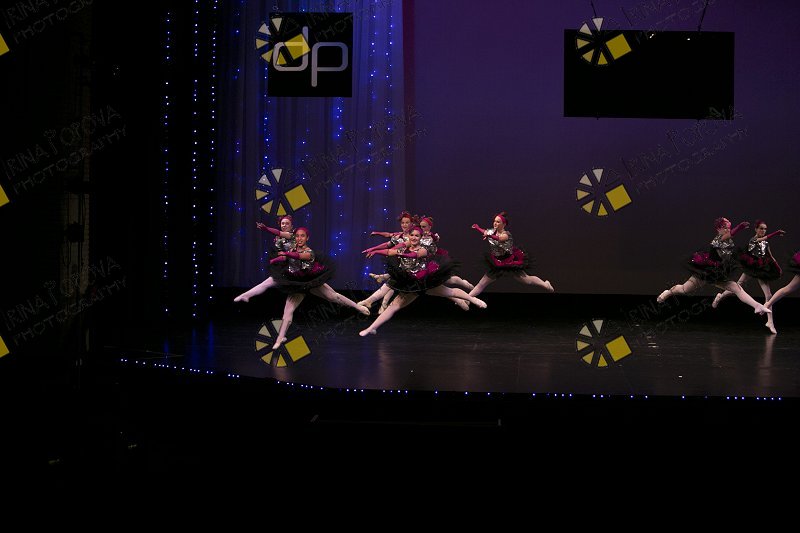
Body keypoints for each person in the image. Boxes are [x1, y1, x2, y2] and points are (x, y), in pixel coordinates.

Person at [359, 226, 486, 336]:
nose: (414, 238)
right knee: (393, 307)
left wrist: (399, 254)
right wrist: (374, 251)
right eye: (412, 235)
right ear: (408, 236)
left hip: (424, 282)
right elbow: (388, 251)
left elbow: (414, 255)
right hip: (410, 285)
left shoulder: (423, 249)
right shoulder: (403, 247)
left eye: (417, 236)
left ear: (420, 237)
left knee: (451, 292)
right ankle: (372, 328)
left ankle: (473, 299)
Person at [269, 227, 369, 349]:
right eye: (297, 236)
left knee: (334, 297)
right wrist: (276, 259)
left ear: (307, 238)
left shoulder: (309, 252)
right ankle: (280, 339)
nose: (299, 238)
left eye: (302, 236)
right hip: (298, 284)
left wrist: (286, 253)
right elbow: (287, 257)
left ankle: (358, 307)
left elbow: (298, 256)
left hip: (311, 281)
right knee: (288, 311)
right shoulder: (291, 249)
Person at [656, 217, 771, 316]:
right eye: (725, 228)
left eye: (729, 227)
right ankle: (669, 292)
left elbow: (729, 252)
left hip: (718, 272)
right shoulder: (718, 239)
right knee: (684, 290)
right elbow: (729, 235)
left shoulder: (729, 241)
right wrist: (739, 228)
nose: (728, 230)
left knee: (736, 288)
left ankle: (757, 306)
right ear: (718, 229)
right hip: (706, 271)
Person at [712, 220, 785, 333]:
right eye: (761, 228)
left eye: (765, 229)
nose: (763, 231)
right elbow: (762, 239)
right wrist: (775, 233)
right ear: (756, 229)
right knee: (737, 287)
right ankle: (720, 297)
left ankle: (770, 322)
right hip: (751, 267)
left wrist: (777, 266)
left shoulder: (766, 243)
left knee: (768, 295)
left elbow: (770, 255)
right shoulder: (753, 239)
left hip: (761, 269)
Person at [467, 212, 554, 298]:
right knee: (482, 283)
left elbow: (499, 238)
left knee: (526, 280)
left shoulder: (506, 234)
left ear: (504, 224)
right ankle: (467, 298)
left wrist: (488, 235)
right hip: (496, 262)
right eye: (494, 221)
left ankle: (545, 284)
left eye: (498, 222)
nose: (495, 223)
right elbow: (485, 231)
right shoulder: (491, 231)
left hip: (509, 261)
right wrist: (477, 228)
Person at [233, 215, 295, 303]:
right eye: (283, 223)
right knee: (267, 283)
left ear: (291, 226)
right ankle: (245, 295)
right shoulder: (279, 238)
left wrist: (266, 229)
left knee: (300, 291)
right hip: (285, 269)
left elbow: (287, 254)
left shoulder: (292, 235)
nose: (284, 225)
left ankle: (245, 295)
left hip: (294, 269)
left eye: (287, 224)